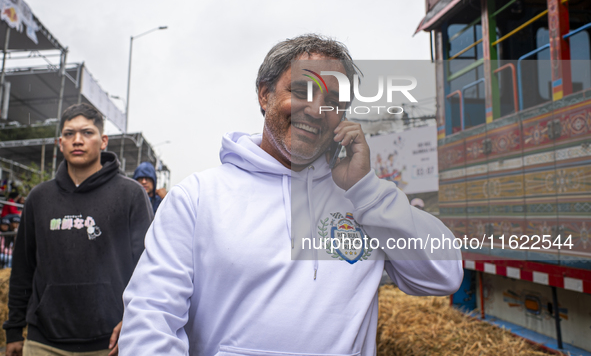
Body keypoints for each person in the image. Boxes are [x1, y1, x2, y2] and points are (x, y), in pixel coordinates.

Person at [119, 34, 463, 356]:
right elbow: (151, 318)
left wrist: (367, 189)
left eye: (333, 101)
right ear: (264, 94)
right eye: (302, 90)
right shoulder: (197, 197)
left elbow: (444, 275)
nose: (316, 110)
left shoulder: (364, 200)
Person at [3, 103, 154, 356]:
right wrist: (14, 331)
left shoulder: (130, 194)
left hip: (109, 343)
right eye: (69, 134)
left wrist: (134, 321)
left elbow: (147, 266)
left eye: (87, 132)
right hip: (43, 343)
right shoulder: (39, 198)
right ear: (59, 142)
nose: (77, 140)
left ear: (103, 140)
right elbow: (22, 268)